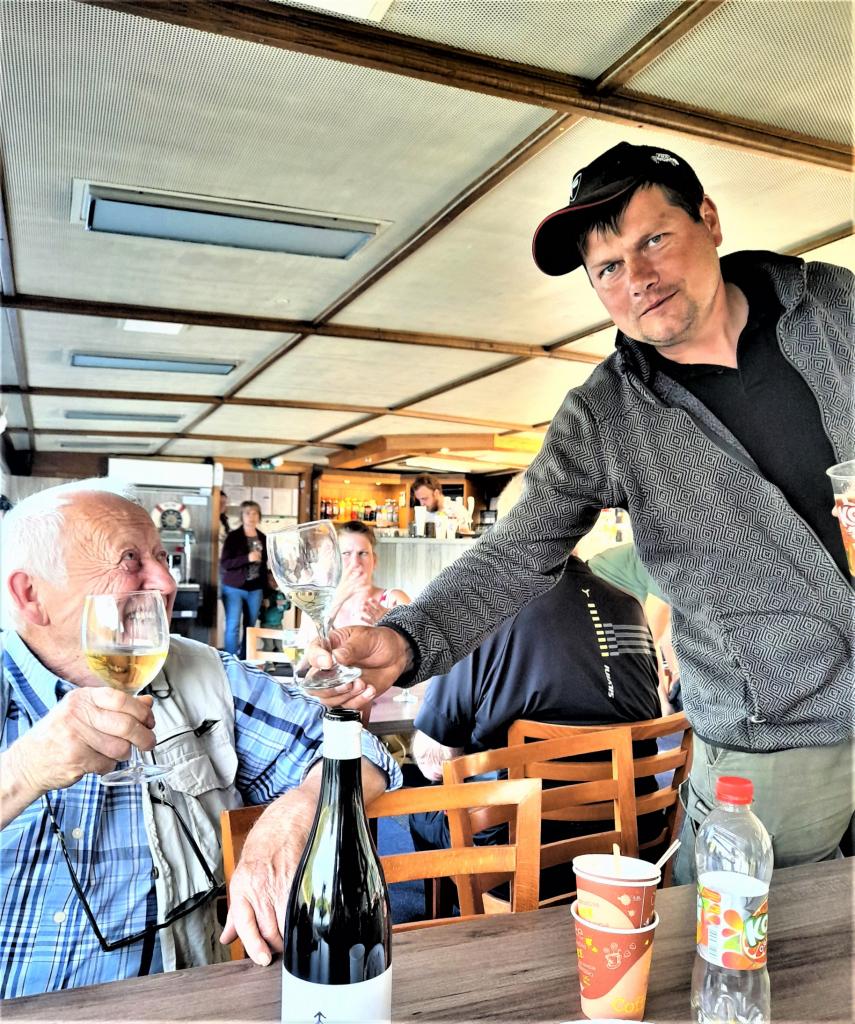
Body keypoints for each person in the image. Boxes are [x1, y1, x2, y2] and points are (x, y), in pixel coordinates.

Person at [310, 141, 855, 884]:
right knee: (748, 943)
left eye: (653, 240)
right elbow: (515, 553)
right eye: (607, 268)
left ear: (707, 219)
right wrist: (409, 639)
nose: (637, 278)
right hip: (777, 740)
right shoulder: (605, 417)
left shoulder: (829, 306)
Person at [0, 480, 401, 998]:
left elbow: (359, 752)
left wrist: (295, 813)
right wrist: (23, 772)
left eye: (160, 557)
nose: (167, 582)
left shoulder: (204, 674)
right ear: (30, 595)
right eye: (130, 560)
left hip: (183, 998)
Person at [407, 475, 665, 896]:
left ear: (507, 532)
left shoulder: (484, 608)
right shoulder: (628, 606)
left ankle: (464, 919)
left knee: (423, 801)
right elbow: (646, 716)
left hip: (521, 856)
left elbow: (435, 758)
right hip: (629, 845)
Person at [587, 541, 680, 713]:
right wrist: (662, 702)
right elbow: (650, 642)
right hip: (596, 585)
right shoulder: (671, 569)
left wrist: (676, 673)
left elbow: (668, 633)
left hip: (615, 586)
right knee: (636, 649)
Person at [219, 500, 267, 657]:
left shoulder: (263, 538)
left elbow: (265, 567)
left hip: (255, 589)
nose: (251, 517)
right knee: (233, 625)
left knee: (250, 627)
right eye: (247, 513)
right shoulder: (233, 537)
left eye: (255, 513)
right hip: (234, 588)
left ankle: (245, 660)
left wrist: (266, 593)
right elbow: (225, 563)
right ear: (242, 516)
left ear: (259, 516)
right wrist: (247, 558)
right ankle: (231, 660)